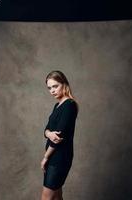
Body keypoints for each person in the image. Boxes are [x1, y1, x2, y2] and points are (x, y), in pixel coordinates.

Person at [40, 71, 78, 200]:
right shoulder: (57, 105)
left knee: (47, 197)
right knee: (56, 197)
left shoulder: (69, 105)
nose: (52, 91)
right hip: (53, 157)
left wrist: (45, 157)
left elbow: (58, 137)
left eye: (55, 86)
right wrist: (49, 133)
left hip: (60, 158)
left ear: (64, 84)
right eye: (49, 88)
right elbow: (46, 129)